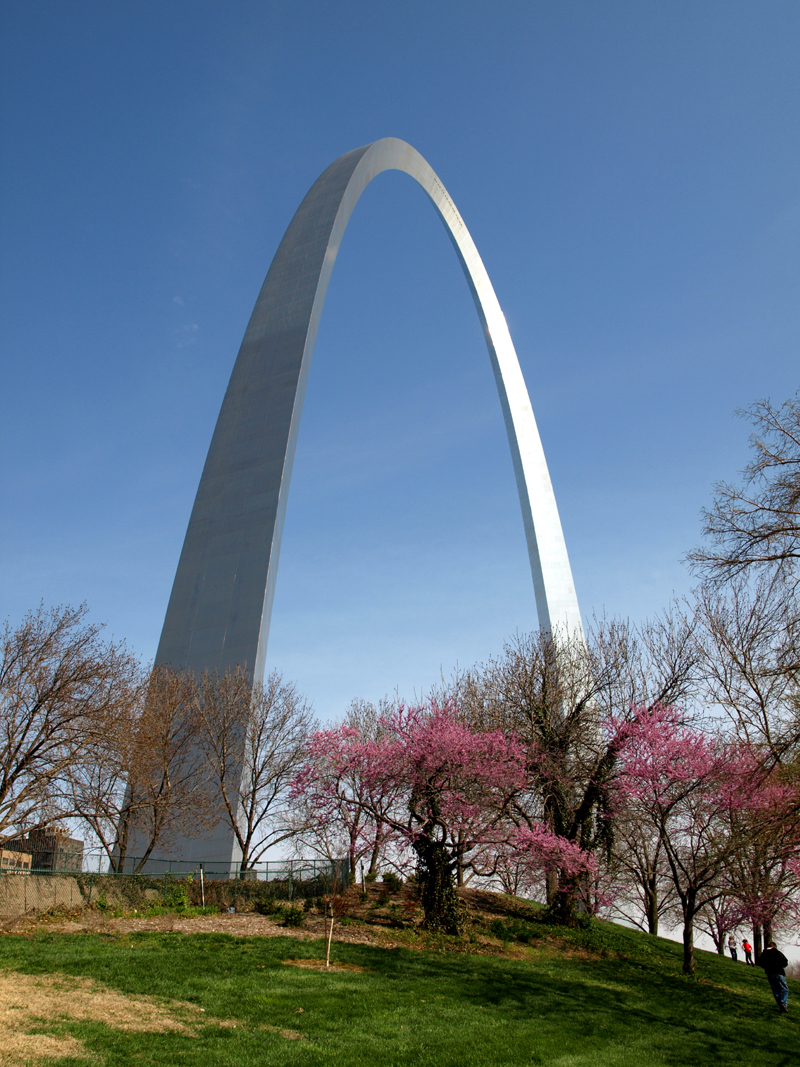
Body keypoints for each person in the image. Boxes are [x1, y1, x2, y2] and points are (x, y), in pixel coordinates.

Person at [757, 941, 790, 1013]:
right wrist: (780, 966)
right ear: (774, 946)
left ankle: (780, 1005)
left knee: (775, 990)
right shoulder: (777, 953)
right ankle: (783, 1003)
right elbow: (785, 962)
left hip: (770, 973)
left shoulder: (764, 954)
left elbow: (760, 962)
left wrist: (766, 967)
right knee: (784, 989)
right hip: (778, 972)